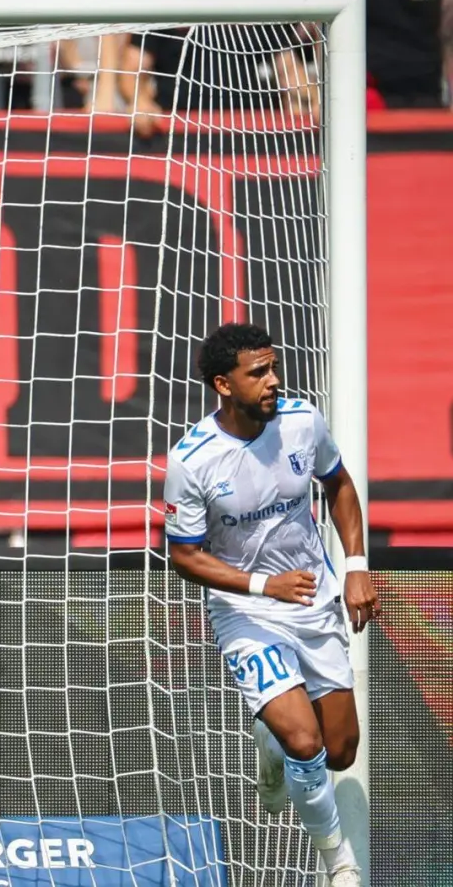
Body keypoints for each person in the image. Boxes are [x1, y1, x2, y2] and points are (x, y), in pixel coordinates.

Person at [163, 323, 379, 887]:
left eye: (273, 367)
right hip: (247, 611)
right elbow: (184, 555)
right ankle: (340, 864)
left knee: (340, 751)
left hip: (314, 599)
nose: (273, 381)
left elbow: (340, 485)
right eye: (257, 373)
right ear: (222, 384)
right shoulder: (193, 460)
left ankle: (271, 745)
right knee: (305, 741)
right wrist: (262, 586)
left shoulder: (302, 421)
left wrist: (356, 568)